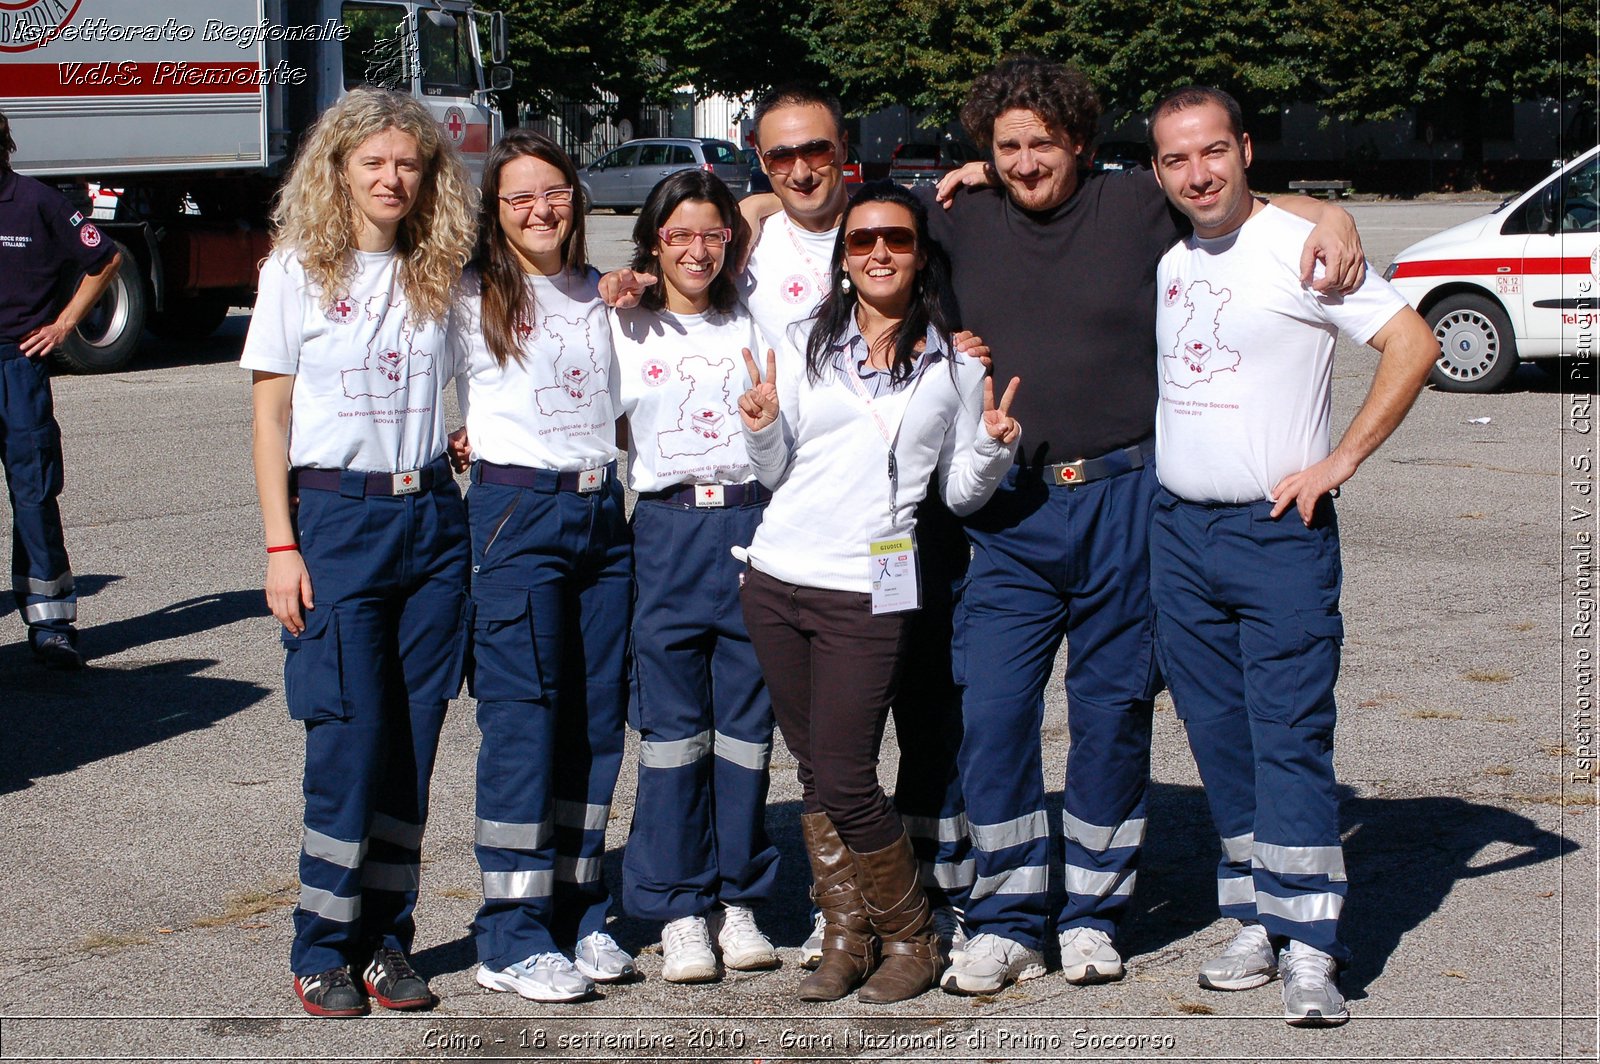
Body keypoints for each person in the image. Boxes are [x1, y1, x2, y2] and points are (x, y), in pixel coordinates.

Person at [926, 56, 1369, 996]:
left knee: (1113, 713)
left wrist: (1331, 213)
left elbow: (1227, 195)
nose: (1024, 159)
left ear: (1079, 142)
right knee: (995, 713)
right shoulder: (953, 218)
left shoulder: (1136, 206)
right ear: (984, 152)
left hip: (1129, 500)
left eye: (1042, 141)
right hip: (1011, 508)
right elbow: (808, 224)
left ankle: (1091, 912)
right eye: (1005, 146)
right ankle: (1005, 917)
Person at [610, 83, 983, 967]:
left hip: (893, 528)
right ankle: (828, 909)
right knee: (799, 740)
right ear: (758, 163)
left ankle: (920, 899)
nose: (801, 169)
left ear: (846, 148)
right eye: (779, 157)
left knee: (912, 717)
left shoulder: (897, 220)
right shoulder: (751, 237)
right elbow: (690, 249)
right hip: (780, 522)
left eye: (817, 150)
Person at [1144, 86, 1436, 1026]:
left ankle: (1313, 945)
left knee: (1290, 738)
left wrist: (1340, 460)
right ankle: (1255, 920)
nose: (1197, 174)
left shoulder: (1301, 248)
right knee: (1220, 741)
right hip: (1178, 531)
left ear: (1245, 150)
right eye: (1176, 159)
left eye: (1212, 152)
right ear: (1157, 170)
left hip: (1278, 535)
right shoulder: (1169, 254)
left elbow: (1412, 344)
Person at [737, 182, 1021, 1004]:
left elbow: (961, 494)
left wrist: (996, 448)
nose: (879, 254)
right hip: (777, 577)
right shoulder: (797, 343)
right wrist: (759, 426)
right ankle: (845, 932)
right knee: (816, 773)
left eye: (895, 238)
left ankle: (910, 935)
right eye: (861, 243)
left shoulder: (956, 363)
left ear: (920, 251)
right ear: (844, 258)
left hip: (870, 586)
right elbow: (774, 473)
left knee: (848, 773)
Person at [241, 87, 476, 1018]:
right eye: (372, 162)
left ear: (428, 178)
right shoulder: (296, 268)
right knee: (348, 738)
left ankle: (387, 940)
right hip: (337, 524)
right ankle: (322, 944)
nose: (391, 178)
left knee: (412, 743)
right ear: (337, 169)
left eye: (408, 164)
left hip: (431, 521)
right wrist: (280, 545)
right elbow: (269, 417)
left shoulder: (442, 272)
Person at [449, 130, 633, 1003]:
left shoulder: (607, 294)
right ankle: (511, 934)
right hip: (517, 517)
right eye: (519, 197)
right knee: (524, 722)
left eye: (553, 191)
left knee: (597, 722)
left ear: (577, 198)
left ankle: (578, 911)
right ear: (495, 210)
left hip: (604, 517)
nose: (539, 209)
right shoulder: (467, 295)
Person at [610, 169, 782, 984]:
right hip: (668, 530)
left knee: (747, 733)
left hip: (752, 522)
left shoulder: (757, 316)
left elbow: (777, 203)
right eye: (676, 234)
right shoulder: (626, 327)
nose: (695, 249)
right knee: (674, 735)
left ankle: (739, 897)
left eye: (712, 233)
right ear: (651, 243)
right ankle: (679, 906)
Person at [0, 108, 121, 670]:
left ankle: (51, 624)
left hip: (17, 367)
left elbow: (105, 257)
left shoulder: (37, 202)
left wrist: (66, 324)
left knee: (33, 492)